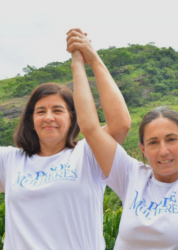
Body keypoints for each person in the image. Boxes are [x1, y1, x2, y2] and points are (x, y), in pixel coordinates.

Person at [69, 26, 178, 249]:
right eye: (153, 142)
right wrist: (83, 61)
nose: (163, 150)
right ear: (143, 149)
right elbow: (90, 128)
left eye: (171, 139)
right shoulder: (130, 176)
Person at [0, 29, 130, 249]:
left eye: (57, 110)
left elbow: (120, 124)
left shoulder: (88, 155)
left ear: (72, 118)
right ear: (31, 120)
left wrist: (89, 60)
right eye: (40, 111)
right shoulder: (10, 161)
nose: (48, 117)